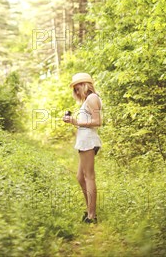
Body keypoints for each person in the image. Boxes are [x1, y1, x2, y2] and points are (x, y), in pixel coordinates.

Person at [63, 72, 102, 224]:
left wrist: (76, 122)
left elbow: (97, 121)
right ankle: (90, 210)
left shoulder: (92, 98)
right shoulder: (87, 100)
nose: (76, 91)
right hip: (84, 141)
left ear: (84, 84)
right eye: (74, 89)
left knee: (89, 177)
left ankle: (92, 216)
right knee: (80, 178)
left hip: (88, 141)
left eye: (77, 87)